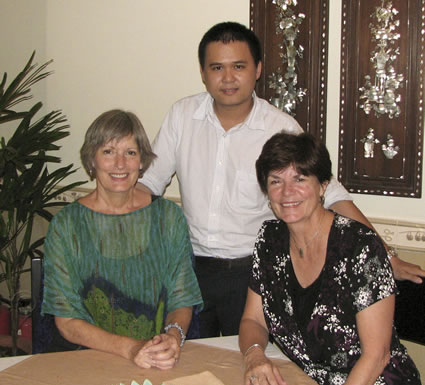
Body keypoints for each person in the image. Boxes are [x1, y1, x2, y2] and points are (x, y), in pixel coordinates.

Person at [139, 21, 425, 338]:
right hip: (191, 270)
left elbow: (331, 195)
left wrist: (387, 257)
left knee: (246, 366)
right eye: (217, 67)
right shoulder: (182, 116)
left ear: (257, 69)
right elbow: (148, 184)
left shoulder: (279, 127)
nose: (228, 78)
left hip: (253, 273)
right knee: (189, 365)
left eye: (239, 66)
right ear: (204, 73)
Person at [239, 132, 424, 385]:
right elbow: (253, 319)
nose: (287, 192)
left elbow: (377, 356)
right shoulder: (269, 240)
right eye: (276, 181)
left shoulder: (360, 246)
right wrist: (254, 355)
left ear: (323, 186)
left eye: (300, 179)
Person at [41, 109, 203, 370]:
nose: (120, 164)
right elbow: (66, 320)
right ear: (91, 160)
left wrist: (173, 337)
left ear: (142, 161)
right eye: (108, 152)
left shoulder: (168, 217)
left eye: (130, 152)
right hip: (85, 360)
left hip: (156, 358)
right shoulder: (66, 225)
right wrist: (131, 348)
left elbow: (181, 297)